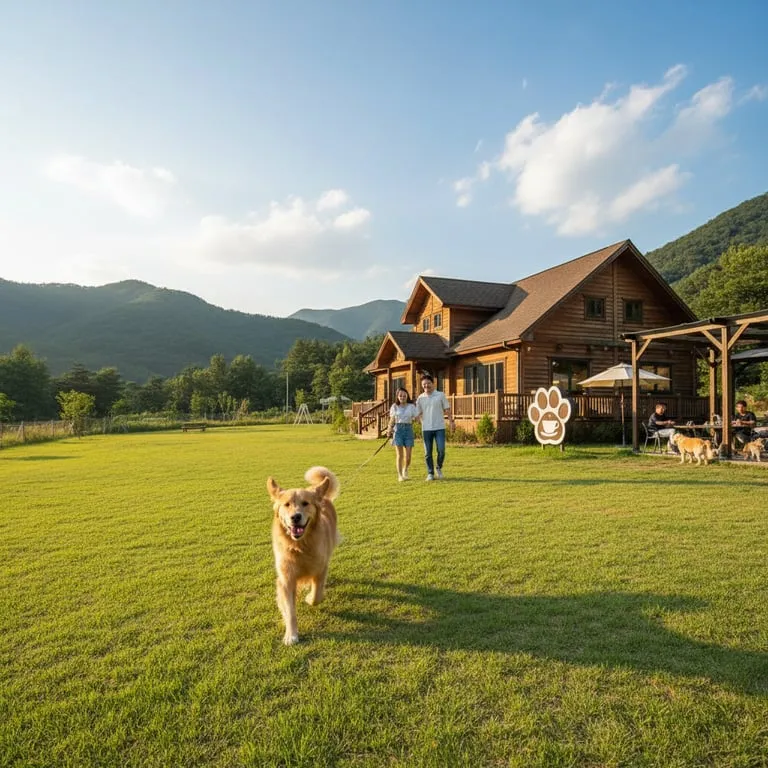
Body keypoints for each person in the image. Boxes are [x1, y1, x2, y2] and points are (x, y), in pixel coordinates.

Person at [415, 373, 454, 481]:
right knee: (427, 453)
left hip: (439, 427)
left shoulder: (440, 395)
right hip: (426, 428)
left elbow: (447, 409)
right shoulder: (420, 398)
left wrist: (451, 422)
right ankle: (430, 473)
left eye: (428, 383)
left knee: (441, 450)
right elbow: (417, 412)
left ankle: (438, 467)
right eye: (424, 384)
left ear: (433, 383)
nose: (426, 386)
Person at [386, 387, 419, 481]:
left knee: (408, 457)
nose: (402, 397)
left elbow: (417, 417)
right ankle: (400, 475)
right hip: (398, 430)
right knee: (399, 455)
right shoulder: (394, 406)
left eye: (404, 395)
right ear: (397, 396)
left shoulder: (411, 406)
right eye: (400, 395)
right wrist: (389, 429)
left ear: (407, 396)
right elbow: (392, 419)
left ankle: (405, 469)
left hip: (408, 430)